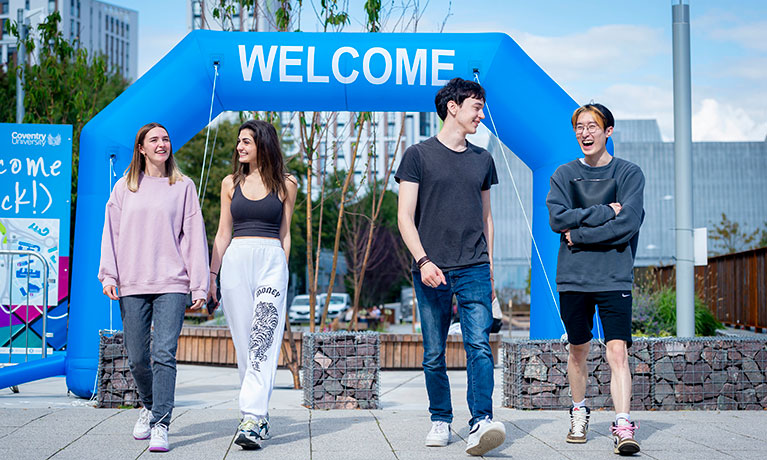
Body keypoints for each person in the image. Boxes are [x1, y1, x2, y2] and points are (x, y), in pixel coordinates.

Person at [395, 77, 506, 456]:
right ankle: (441, 418)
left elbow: (487, 219)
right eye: (476, 106)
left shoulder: (483, 159)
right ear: (453, 107)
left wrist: (490, 267)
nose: (481, 114)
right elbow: (404, 217)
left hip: (475, 265)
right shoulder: (418, 155)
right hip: (432, 267)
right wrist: (422, 260)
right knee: (434, 352)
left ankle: (481, 421)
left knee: (479, 345)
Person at [98, 122, 209, 452]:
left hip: (172, 283)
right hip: (132, 282)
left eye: (166, 139)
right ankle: (148, 406)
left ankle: (161, 423)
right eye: (154, 140)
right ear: (141, 149)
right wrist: (109, 276)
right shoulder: (125, 187)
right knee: (136, 358)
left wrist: (199, 285)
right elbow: (111, 235)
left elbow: (194, 237)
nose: (162, 144)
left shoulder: (183, 186)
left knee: (164, 353)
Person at [546, 103, 645, 455]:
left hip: (615, 276)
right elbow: (558, 220)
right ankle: (578, 412)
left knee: (617, 352)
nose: (584, 133)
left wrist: (581, 234)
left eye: (592, 126)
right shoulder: (563, 174)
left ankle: (622, 423)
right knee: (578, 350)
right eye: (579, 127)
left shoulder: (629, 174)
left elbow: (628, 225)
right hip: (573, 278)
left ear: (608, 131)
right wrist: (605, 212)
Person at [208, 120, 297, 450]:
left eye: (246, 141)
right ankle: (256, 414)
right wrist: (211, 276)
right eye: (238, 142)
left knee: (263, 339)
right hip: (235, 261)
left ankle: (252, 416)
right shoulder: (229, 183)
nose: (239, 147)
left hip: (271, 260)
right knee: (245, 342)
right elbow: (222, 233)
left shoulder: (287, 184)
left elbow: (286, 234)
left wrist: (282, 269)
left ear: (263, 145)